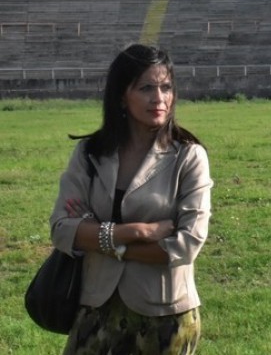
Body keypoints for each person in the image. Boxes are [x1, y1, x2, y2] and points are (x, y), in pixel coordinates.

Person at [49, 44, 213, 354]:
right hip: (95, 308)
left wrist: (101, 237)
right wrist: (139, 232)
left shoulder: (189, 157)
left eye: (166, 87)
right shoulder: (90, 153)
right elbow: (61, 228)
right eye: (146, 88)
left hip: (165, 317)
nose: (159, 98)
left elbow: (187, 243)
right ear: (122, 95)